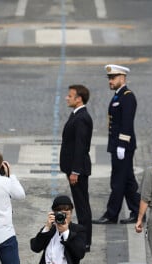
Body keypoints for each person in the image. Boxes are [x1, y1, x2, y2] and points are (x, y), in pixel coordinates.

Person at [93, 64, 140, 224]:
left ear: (122, 78)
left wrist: (121, 144)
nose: (110, 81)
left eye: (113, 78)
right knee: (127, 180)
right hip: (119, 146)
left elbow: (126, 123)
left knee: (118, 181)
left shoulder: (127, 96)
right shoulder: (118, 96)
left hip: (123, 147)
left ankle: (111, 214)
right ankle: (137, 212)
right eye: (109, 78)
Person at [30, 195, 86, 264]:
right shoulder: (50, 230)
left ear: (71, 212)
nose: (63, 215)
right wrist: (47, 227)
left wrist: (65, 232)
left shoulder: (78, 230)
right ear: (53, 213)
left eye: (66, 212)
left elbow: (79, 253)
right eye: (59, 212)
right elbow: (35, 247)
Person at [59, 84, 93, 252]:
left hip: (77, 170)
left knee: (82, 205)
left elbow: (80, 146)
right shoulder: (77, 115)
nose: (67, 98)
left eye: (70, 95)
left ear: (79, 98)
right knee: (80, 203)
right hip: (73, 168)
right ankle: (84, 238)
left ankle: (86, 241)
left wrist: (75, 171)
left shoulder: (82, 118)